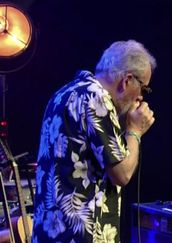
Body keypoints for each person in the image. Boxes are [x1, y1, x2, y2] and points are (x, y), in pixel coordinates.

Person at [32, 40, 156, 242]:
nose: (141, 97)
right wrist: (135, 131)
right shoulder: (98, 100)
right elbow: (122, 174)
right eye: (144, 88)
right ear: (127, 80)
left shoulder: (63, 93)